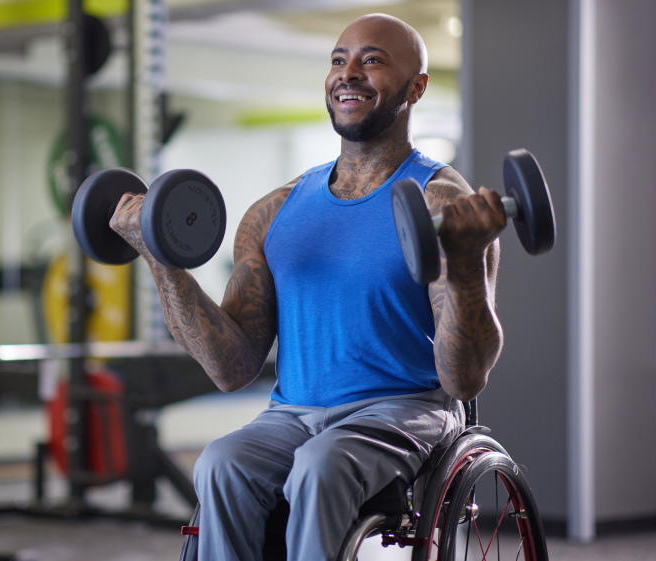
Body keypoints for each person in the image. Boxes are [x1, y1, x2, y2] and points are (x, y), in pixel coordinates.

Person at [110, 13, 506, 561]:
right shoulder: (274, 212)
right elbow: (232, 368)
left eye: (373, 60)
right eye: (339, 60)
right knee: (220, 462)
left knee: (322, 465)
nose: (349, 73)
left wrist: (463, 263)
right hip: (292, 413)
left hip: (401, 407)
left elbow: (463, 379)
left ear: (417, 87)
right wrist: (159, 258)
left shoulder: (443, 203)